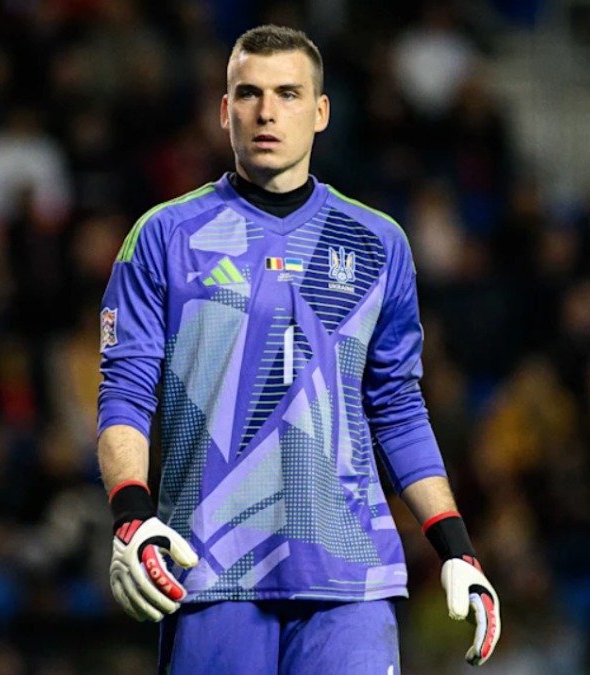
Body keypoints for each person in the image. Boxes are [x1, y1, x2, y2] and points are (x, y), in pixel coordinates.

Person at [97, 25, 500, 673]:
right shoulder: (163, 237)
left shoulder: (378, 243)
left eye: (288, 93)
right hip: (210, 570)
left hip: (352, 579)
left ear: (320, 112)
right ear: (224, 110)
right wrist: (131, 515)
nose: (267, 111)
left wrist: (457, 548)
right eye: (249, 94)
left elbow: (397, 407)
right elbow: (124, 393)